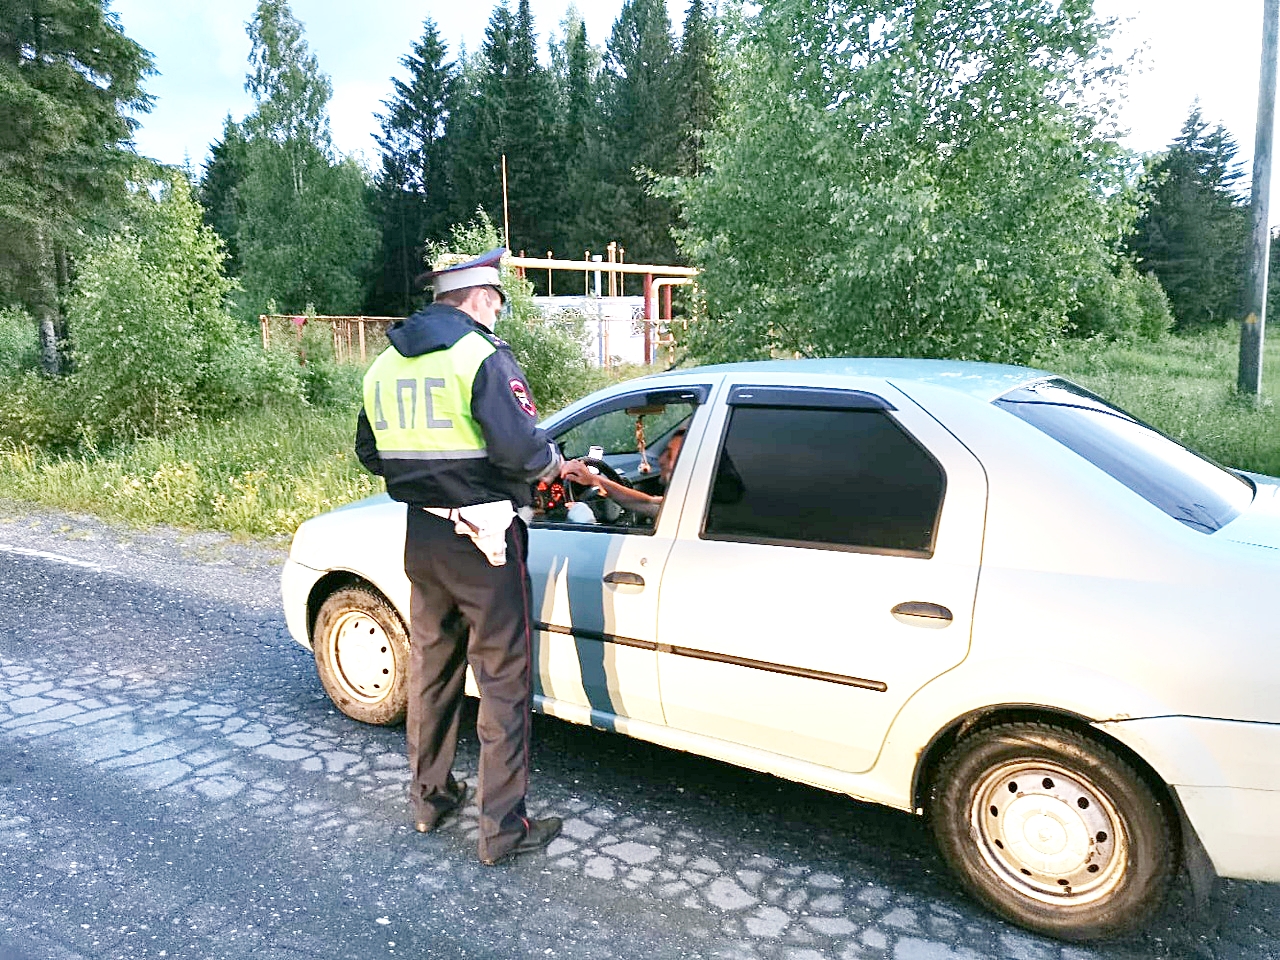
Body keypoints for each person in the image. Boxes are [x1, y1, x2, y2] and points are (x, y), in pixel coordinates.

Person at [354, 247, 564, 866]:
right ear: (479, 298)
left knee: (432, 669)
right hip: (485, 540)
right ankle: (501, 832)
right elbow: (525, 454)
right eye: (497, 301)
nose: (497, 312)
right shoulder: (481, 356)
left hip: (423, 536)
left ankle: (430, 799)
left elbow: (372, 453)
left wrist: (434, 484)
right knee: (502, 681)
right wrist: (552, 468)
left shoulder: (384, 363)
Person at [558, 426, 686, 519]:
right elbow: (648, 503)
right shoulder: (687, 502)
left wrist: (584, 519)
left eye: (669, 455)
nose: (661, 459)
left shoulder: (687, 512)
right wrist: (593, 479)